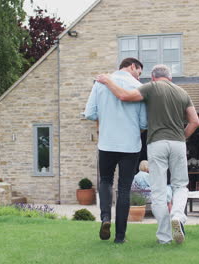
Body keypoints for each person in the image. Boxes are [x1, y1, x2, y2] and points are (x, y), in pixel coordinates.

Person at [97, 64, 199, 244]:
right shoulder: (182, 93)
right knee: (180, 186)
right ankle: (177, 215)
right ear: (170, 78)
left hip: (156, 143)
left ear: (153, 77)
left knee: (159, 191)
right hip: (177, 143)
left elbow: (123, 96)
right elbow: (195, 122)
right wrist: (181, 137)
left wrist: (107, 81)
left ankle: (164, 238)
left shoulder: (151, 88)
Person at [84, 58, 147, 244]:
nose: (139, 76)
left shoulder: (100, 83)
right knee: (124, 188)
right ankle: (120, 237)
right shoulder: (140, 88)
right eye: (139, 71)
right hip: (130, 145)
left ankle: (105, 218)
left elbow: (90, 113)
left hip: (106, 143)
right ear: (133, 66)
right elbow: (144, 123)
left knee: (105, 181)